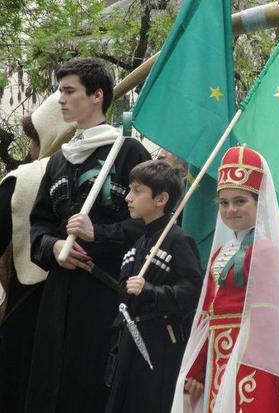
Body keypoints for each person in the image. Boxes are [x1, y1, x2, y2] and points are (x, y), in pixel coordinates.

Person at [27, 57, 150, 413]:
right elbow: (39, 226)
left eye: (69, 91)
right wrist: (54, 247)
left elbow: (154, 224)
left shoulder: (128, 152)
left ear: (97, 95)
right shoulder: (58, 161)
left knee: (95, 389)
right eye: (59, 91)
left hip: (108, 295)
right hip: (58, 300)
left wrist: (100, 233)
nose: (61, 100)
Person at [170, 146, 279, 413]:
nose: (231, 209)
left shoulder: (265, 250)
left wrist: (242, 366)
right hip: (216, 354)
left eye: (240, 201)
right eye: (224, 203)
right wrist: (196, 369)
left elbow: (264, 318)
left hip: (251, 360)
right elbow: (206, 316)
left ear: (260, 203)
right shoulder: (220, 253)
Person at [104, 160, 202, 413]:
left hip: (160, 344)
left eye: (137, 191)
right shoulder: (141, 241)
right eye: (130, 190)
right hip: (129, 340)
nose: (128, 197)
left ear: (161, 199)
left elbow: (193, 291)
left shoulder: (178, 239)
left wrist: (151, 291)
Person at [0, 94, 73, 412]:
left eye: (34, 137)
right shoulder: (101, 173)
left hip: (26, 304)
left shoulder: (22, 179)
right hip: (79, 306)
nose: (31, 147)